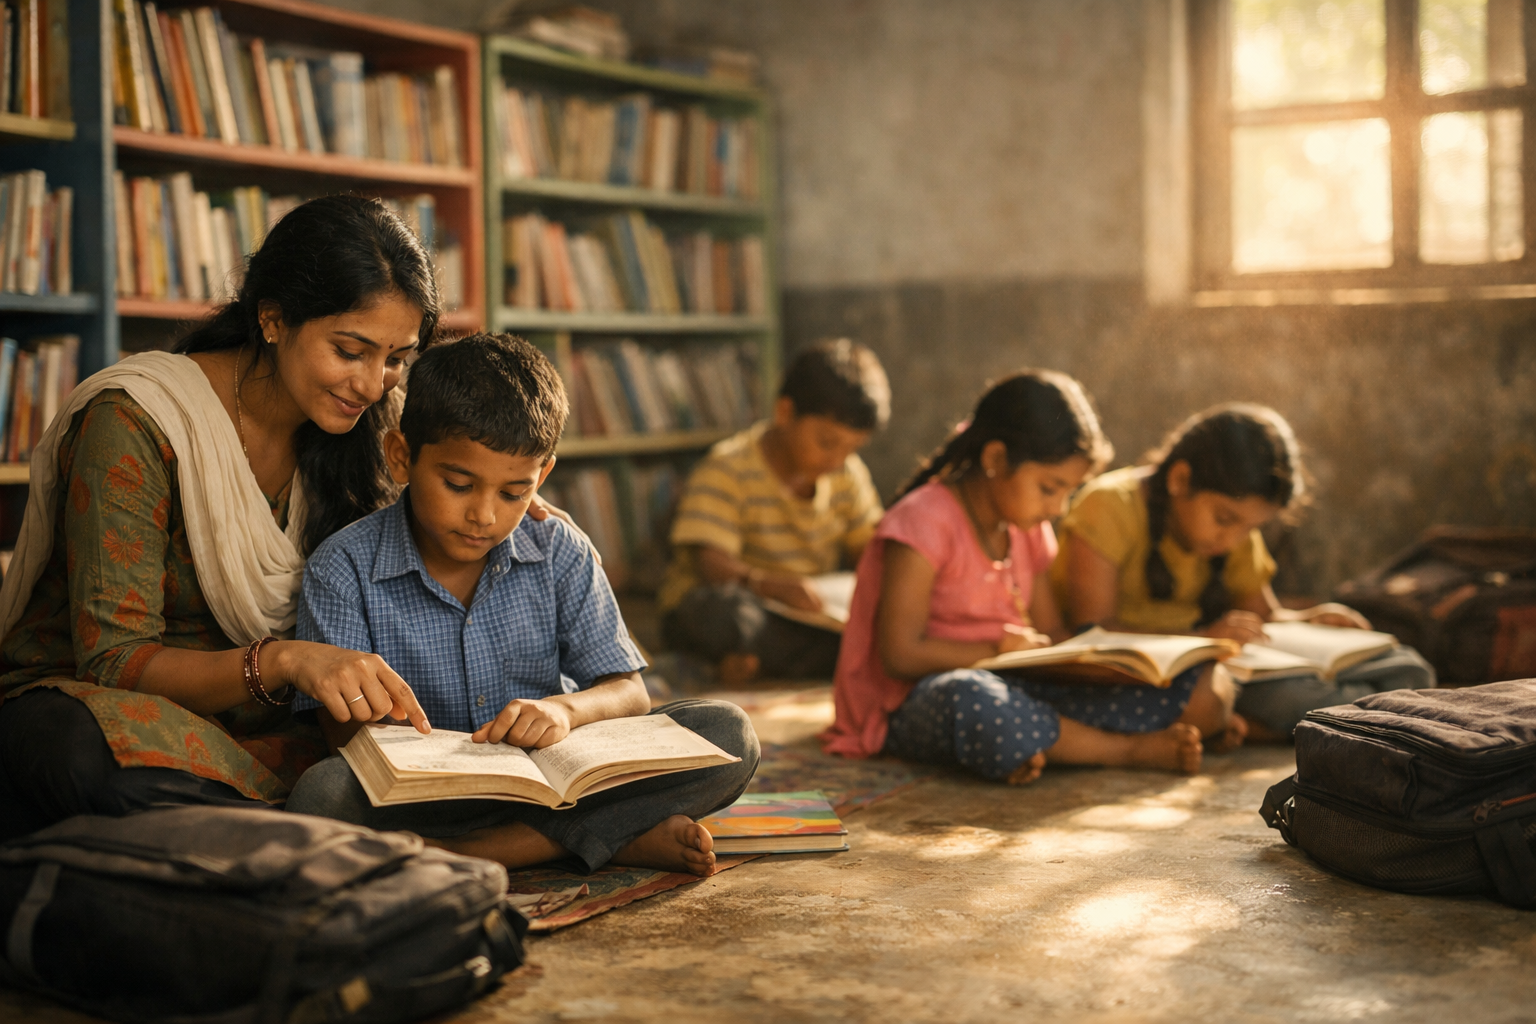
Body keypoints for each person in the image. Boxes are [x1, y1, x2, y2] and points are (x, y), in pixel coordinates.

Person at [0, 196, 573, 842]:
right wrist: (283, 662)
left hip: (270, 718)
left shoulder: (374, 424)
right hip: (114, 707)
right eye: (350, 350)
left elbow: (458, 474)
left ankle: (322, 838)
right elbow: (114, 660)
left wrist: (501, 502)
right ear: (272, 319)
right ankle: (406, 840)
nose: (373, 382)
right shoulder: (136, 423)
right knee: (81, 754)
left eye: (396, 358)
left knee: (362, 759)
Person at [284, 334, 759, 876]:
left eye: (513, 493)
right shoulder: (344, 566)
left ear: (543, 478)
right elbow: (341, 736)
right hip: (422, 799)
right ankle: (602, 837)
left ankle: (483, 854)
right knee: (323, 795)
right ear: (401, 457)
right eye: (458, 484)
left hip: (557, 785)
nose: (484, 514)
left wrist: (563, 711)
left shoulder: (558, 548)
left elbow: (628, 692)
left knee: (726, 732)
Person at [822, 371, 1237, 785]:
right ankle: (1120, 749)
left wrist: (1102, 665)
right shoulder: (922, 521)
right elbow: (899, 655)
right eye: (1048, 488)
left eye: (1068, 492)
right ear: (996, 459)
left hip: (1016, 686)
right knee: (975, 701)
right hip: (916, 701)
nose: (1057, 508)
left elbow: (1052, 629)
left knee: (1203, 688)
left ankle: (1047, 743)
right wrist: (996, 650)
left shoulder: (1027, 526)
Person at [1050, 402, 1434, 741]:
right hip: (1144, 673)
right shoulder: (1108, 506)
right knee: (1297, 697)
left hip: (1218, 657)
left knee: (1409, 670)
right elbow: (1090, 632)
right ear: (1179, 479)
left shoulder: (1231, 534)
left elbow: (1264, 615)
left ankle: (1273, 724)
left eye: (1249, 528)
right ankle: (1259, 725)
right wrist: (1200, 639)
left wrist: (1311, 619)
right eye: (1224, 519)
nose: (1232, 540)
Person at [659, 339, 890, 684]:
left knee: (884, 622)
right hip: (737, 604)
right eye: (826, 442)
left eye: (851, 448)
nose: (836, 459)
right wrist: (772, 586)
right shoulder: (728, 467)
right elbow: (711, 564)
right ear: (785, 413)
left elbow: (869, 551)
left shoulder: (847, 473)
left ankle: (757, 663)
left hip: (805, 616)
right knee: (724, 615)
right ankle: (769, 657)